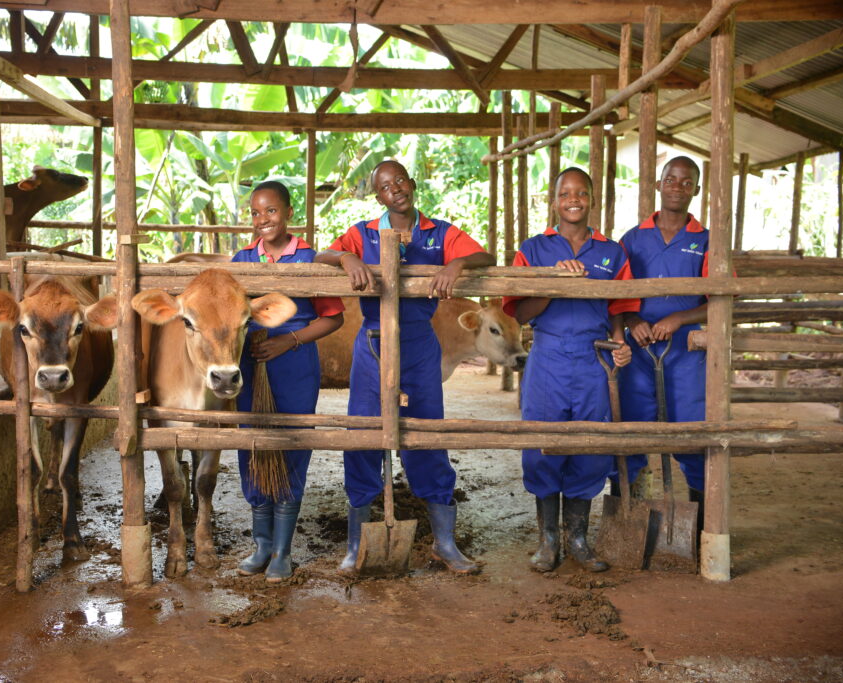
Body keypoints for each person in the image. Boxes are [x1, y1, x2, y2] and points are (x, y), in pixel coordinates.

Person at [316, 159, 494, 575]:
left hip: (418, 344)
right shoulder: (362, 233)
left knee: (427, 434)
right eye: (384, 186)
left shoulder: (439, 233)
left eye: (399, 180)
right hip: (373, 343)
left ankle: (445, 544)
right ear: (378, 196)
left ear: (412, 184)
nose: (394, 188)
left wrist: (456, 264)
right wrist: (346, 257)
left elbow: (484, 256)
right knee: (362, 435)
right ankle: (356, 544)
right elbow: (322, 253)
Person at [503, 167, 637, 573]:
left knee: (590, 446)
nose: (573, 200)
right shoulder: (533, 249)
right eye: (565, 193)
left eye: (581, 193)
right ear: (554, 201)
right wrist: (553, 281)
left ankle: (577, 538)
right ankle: (547, 541)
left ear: (592, 199)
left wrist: (620, 343)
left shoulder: (612, 251)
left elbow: (619, 308)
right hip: (548, 357)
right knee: (542, 444)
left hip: (594, 359)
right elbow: (520, 313)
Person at [232, 180, 345, 582]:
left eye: (271, 210)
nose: (263, 219)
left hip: (295, 362)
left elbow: (334, 318)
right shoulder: (241, 259)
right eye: (255, 212)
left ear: (289, 213)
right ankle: (261, 545)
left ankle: (282, 550)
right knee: (251, 443)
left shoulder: (309, 259)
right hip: (250, 361)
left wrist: (288, 340)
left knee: (294, 442)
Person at [614, 156, 709, 520]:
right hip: (639, 352)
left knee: (691, 433)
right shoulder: (633, 239)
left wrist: (680, 318)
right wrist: (633, 319)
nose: (677, 187)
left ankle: (701, 525)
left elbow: (721, 299)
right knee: (632, 430)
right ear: (658, 185)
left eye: (686, 182)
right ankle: (629, 516)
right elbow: (616, 293)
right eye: (670, 179)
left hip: (687, 353)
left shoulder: (706, 240)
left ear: (696, 190)